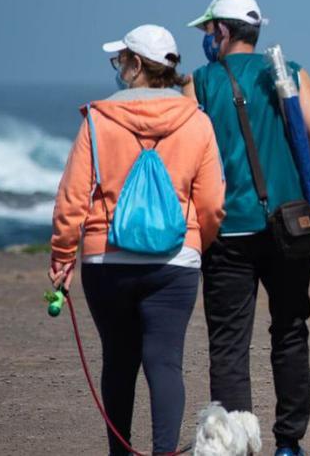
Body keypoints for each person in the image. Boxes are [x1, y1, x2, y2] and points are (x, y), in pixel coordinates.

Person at [50, 24, 225, 455]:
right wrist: (196, 245)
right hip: (175, 262)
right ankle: (165, 452)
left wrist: (61, 255)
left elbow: (73, 196)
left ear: (134, 66)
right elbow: (213, 203)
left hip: (106, 260)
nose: (118, 68)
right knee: (165, 363)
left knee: (118, 361)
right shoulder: (197, 121)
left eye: (120, 60)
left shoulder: (98, 117)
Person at [184, 0, 310, 456]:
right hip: (291, 224)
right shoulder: (292, 71)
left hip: (227, 229)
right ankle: (289, 443)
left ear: (222, 32)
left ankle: (234, 446)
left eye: (209, 31)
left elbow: (187, 159)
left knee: (229, 343)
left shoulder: (200, 82)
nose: (207, 40)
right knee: (289, 330)